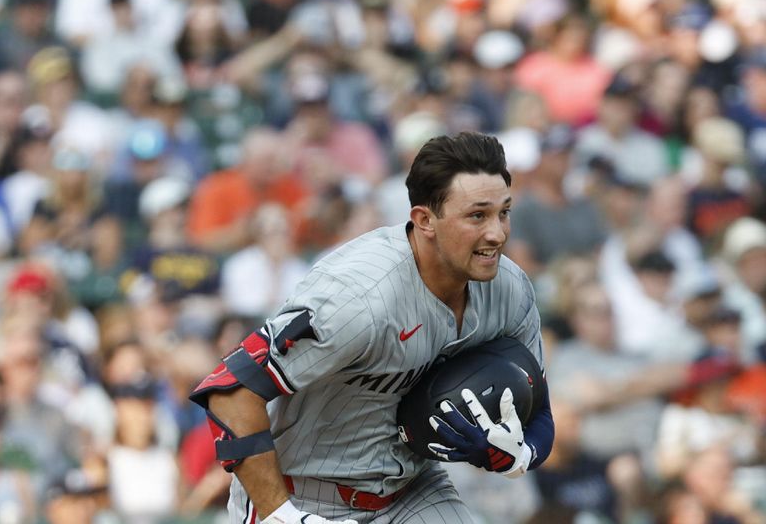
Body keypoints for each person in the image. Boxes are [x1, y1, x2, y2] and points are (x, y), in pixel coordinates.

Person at [189, 132, 555, 524]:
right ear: (424, 220)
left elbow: (539, 405)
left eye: (504, 212)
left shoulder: (510, 289)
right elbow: (231, 393)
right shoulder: (359, 296)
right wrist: (281, 514)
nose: (497, 233)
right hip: (299, 491)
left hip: (411, 490)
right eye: (477, 215)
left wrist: (522, 453)